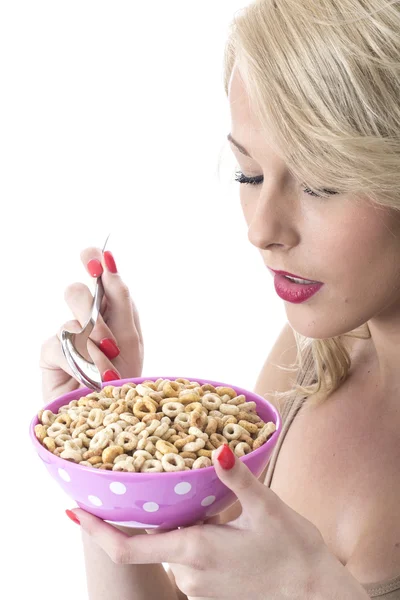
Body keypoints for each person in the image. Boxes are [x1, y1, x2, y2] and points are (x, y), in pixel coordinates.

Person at [40, 1, 400, 598]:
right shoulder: (315, 360)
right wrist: (111, 454)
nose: (262, 231)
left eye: (320, 183)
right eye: (248, 175)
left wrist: (310, 588)